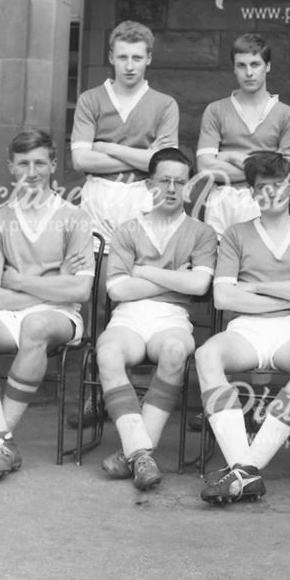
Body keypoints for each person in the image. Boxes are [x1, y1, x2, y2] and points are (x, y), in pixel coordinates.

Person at [0, 129, 94, 481]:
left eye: (39, 163)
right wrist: (52, 285)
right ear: (11, 168)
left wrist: (18, 281)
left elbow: (80, 291)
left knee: (36, 325)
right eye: (23, 164)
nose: (31, 172)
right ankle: (2, 440)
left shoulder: (74, 218)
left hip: (61, 316)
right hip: (11, 313)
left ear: (52, 165)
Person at [195, 151, 290, 505]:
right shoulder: (237, 234)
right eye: (261, 187)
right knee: (207, 353)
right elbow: (224, 297)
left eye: (277, 185)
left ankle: (243, 470)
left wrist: (255, 287)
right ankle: (246, 468)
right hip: (247, 328)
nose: (270, 194)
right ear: (252, 192)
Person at [95, 148, 217, 490]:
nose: (172, 188)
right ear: (150, 185)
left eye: (181, 181)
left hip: (172, 317)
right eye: (165, 180)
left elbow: (199, 284)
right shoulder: (127, 230)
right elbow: (118, 290)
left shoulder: (201, 233)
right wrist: (174, 278)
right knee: (108, 353)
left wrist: (144, 271)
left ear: (189, 186)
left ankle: (132, 452)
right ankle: (142, 454)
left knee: (176, 350)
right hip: (129, 318)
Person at [70, 20, 179, 244]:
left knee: (139, 271)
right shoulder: (90, 100)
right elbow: (80, 160)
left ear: (148, 58)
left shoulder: (165, 104)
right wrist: (145, 158)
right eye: (122, 57)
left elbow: (166, 166)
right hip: (98, 194)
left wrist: (107, 148)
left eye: (137, 58)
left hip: (143, 194)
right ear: (111, 57)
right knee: (94, 269)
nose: (129, 66)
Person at [195, 33, 290, 238]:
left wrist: (232, 156)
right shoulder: (215, 110)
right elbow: (205, 167)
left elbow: (286, 173)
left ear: (267, 66)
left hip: (266, 198)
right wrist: (265, 168)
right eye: (242, 65)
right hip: (222, 198)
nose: (249, 72)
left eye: (255, 64)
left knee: (261, 263)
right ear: (234, 68)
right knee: (218, 263)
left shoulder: (288, 115)